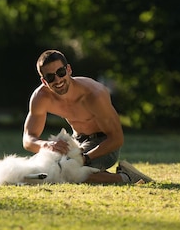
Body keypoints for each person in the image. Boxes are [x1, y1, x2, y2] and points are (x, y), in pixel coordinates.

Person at [22, 49, 154, 184]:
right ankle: (97, 173)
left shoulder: (94, 95)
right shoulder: (41, 98)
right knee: (36, 170)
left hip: (104, 143)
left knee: (69, 172)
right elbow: (28, 140)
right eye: (50, 77)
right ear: (44, 81)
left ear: (68, 70)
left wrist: (85, 158)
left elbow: (117, 138)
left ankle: (127, 177)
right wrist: (46, 145)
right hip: (76, 141)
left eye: (61, 72)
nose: (58, 80)